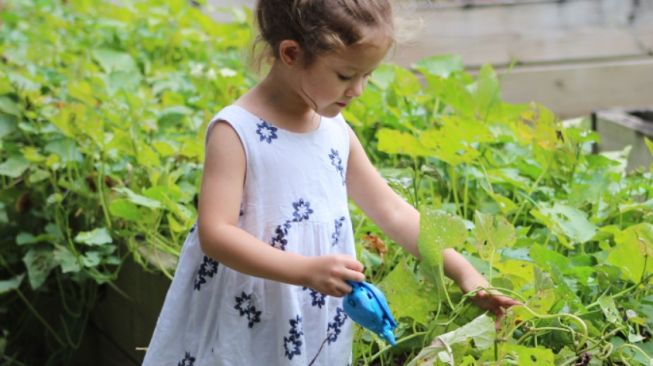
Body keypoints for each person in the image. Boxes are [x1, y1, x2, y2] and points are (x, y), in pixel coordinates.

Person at [143, 1, 519, 365]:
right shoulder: (237, 132)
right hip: (247, 313)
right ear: (291, 53)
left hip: (311, 316)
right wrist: (304, 271)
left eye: (366, 76)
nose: (358, 90)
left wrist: (465, 273)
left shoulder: (335, 132)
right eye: (345, 75)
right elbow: (216, 233)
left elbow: (392, 212)